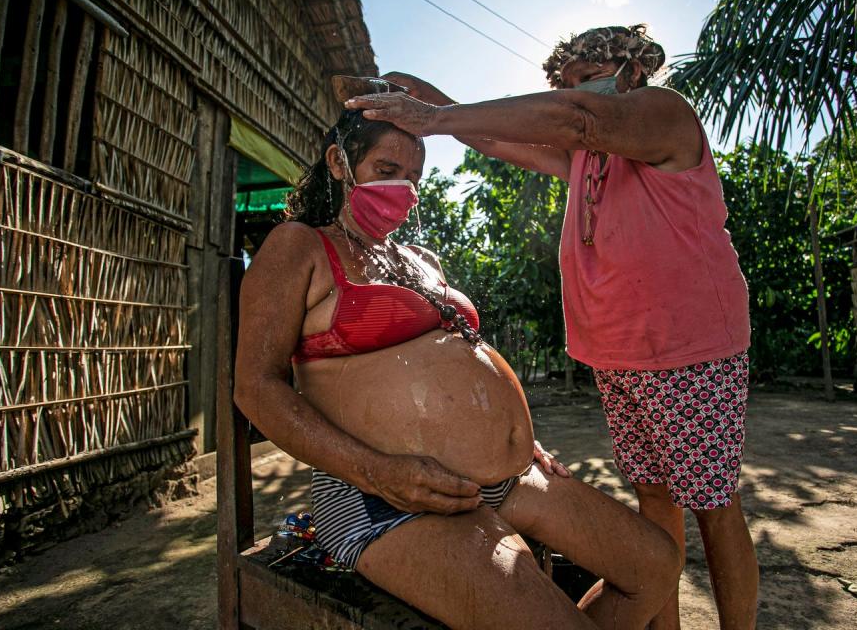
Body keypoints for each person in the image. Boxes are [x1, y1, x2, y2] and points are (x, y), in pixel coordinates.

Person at [344, 24, 758, 630]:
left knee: (714, 505)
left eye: (586, 78)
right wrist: (432, 104)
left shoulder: (664, 114)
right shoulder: (587, 156)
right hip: (621, 356)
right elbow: (495, 139)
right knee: (655, 498)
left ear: (631, 67)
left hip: (686, 348)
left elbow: (578, 118)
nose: (576, 91)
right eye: (566, 83)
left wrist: (433, 116)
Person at [233, 108, 681, 630]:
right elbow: (255, 388)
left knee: (656, 564)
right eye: (386, 168)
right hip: (385, 496)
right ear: (338, 162)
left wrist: (505, 434)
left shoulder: (421, 257)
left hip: (507, 477)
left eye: (415, 177)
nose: (403, 187)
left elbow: (461, 358)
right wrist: (377, 472)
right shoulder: (300, 245)